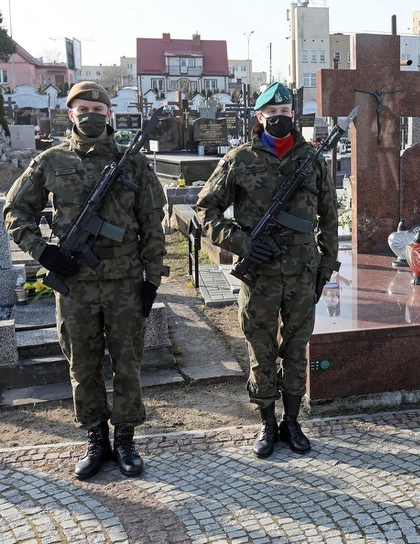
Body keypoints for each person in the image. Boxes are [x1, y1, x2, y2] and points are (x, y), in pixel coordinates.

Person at [4, 81, 168, 480]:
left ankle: (126, 439)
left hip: (125, 283)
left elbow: (152, 223)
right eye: (83, 109)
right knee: (82, 365)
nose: (91, 115)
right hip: (75, 284)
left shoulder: (132, 164)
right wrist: (44, 252)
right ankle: (97, 439)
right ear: (70, 113)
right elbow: (15, 212)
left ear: (108, 115)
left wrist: (152, 279)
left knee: (128, 364)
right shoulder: (50, 161)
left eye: (98, 108)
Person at [196, 82, 339, 458]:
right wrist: (243, 244)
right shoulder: (240, 159)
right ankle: (267, 422)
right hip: (258, 276)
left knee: (296, 349)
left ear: (294, 116)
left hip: (302, 275)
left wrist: (327, 264)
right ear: (260, 118)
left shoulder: (312, 160)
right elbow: (205, 209)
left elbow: (330, 216)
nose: (279, 119)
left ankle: (292, 422)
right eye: (271, 114)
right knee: (261, 351)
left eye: (285, 114)